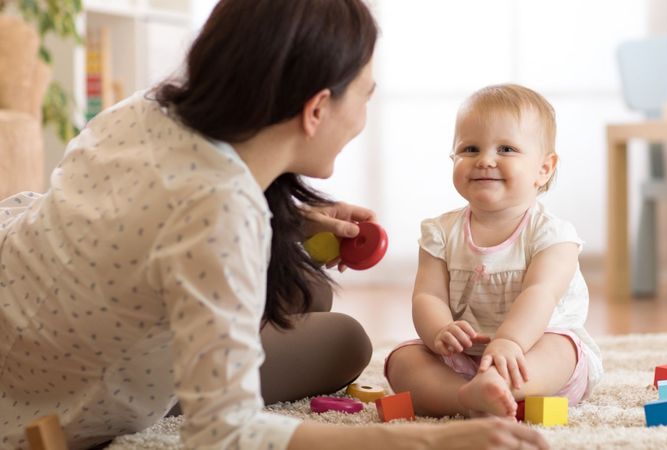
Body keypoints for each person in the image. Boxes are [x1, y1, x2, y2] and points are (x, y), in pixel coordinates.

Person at [0, 1, 549, 449]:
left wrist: (296, 217)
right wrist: (428, 443)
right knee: (345, 341)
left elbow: (159, 209)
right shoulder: (221, 219)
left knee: (307, 284)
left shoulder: (147, 110)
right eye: (364, 97)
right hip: (64, 396)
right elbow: (224, 432)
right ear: (316, 110)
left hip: (25, 290)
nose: (362, 118)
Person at [384, 84, 604, 419]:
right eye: (470, 149)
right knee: (402, 360)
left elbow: (540, 294)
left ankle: (502, 388)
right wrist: (440, 330)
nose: (485, 160)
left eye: (506, 149)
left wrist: (511, 342)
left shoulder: (553, 235)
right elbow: (427, 296)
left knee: (562, 350)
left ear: (544, 168)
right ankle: (466, 397)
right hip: (463, 358)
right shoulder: (440, 233)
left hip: (531, 349)